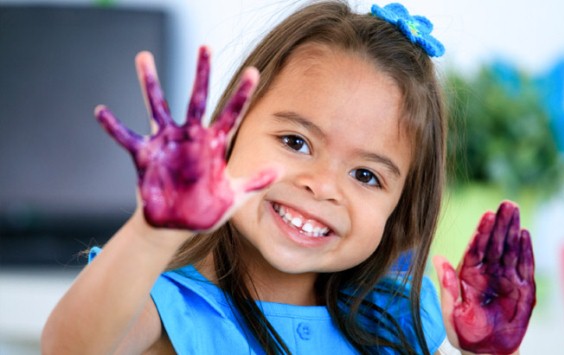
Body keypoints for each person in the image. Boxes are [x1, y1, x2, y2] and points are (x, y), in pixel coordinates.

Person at [41, 1, 535, 354]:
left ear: (400, 210)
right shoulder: (163, 302)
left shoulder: (402, 318)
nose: (321, 186)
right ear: (230, 134)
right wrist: (153, 231)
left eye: (365, 175)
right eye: (296, 142)